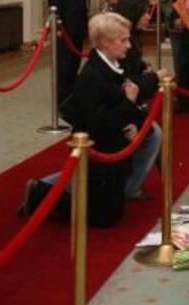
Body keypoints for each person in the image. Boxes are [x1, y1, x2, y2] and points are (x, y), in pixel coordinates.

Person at [20, 13, 151, 227]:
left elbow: (119, 108)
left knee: (114, 212)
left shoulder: (112, 66)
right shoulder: (93, 76)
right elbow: (99, 126)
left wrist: (133, 121)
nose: (128, 45)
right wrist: (129, 103)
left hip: (113, 152)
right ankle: (39, 194)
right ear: (106, 43)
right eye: (123, 40)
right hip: (98, 153)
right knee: (103, 218)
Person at [112, 0, 168, 200]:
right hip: (117, 107)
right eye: (144, 13)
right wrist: (154, 77)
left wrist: (144, 69)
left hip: (123, 103)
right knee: (153, 135)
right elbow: (128, 82)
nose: (148, 17)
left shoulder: (131, 40)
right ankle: (130, 187)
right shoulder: (122, 45)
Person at [48, 0, 90, 104]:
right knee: (65, 62)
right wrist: (57, 25)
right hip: (66, 25)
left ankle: (71, 93)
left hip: (77, 23)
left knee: (74, 61)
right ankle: (62, 97)